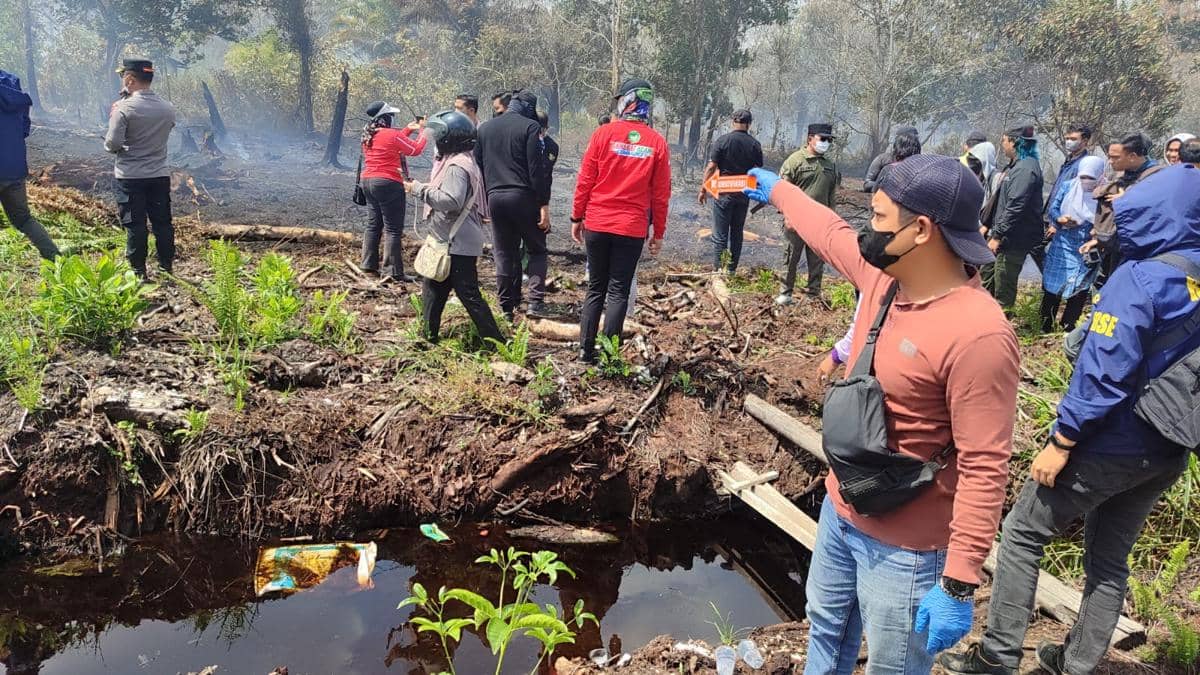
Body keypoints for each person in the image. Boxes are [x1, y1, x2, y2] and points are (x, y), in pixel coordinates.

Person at [743, 154, 1019, 675]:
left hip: (908, 551)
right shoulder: (882, 277)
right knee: (824, 631)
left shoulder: (978, 335)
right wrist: (778, 189)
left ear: (920, 230)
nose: (867, 231)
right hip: (841, 510)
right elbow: (828, 231)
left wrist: (959, 581)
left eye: (878, 219)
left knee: (892, 666)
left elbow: (985, 466)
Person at [939, 161, 1200, 675]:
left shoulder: (1140, 278)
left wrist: (1062, 439)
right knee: (1108, 558)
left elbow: (1104, 370)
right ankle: (1076, 662)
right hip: (1169, 447)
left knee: (1021, 533)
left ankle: (997, 656)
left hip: (1112, 441)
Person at [571, 78, 670, 363]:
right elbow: (661, 195)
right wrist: (658, 232)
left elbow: (585, 180)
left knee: (595, 288)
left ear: (627, 101)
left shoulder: (603, 135)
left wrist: (577, 216)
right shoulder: (657, 143)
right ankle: (610, 357)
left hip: (599, 224)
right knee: (618, 291)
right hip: (632, 228)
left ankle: (584, 352)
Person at [405, 110, 503, 345]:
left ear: (449, 138)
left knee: (468, 294)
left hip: (456, 243)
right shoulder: (460, 160)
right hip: (453, 241)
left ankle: (496, 342)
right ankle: (427, 338)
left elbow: (451, 200)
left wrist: (419, 189)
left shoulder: (457, 165)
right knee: (433, 290)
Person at [475, 90, 551, 321]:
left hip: (495, 197)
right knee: (537, 249)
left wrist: (486, 198)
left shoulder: (485, 129)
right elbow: (536, 170)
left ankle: (507, 307)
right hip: (523, 197)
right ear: (529, 109)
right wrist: (543, 204)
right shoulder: (530, 128)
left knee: (504, 252)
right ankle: (535, 303)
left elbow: (479, 164)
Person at [104, 58, 176, 279]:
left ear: (129, 79)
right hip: (159, 175)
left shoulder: (123, 109)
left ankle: (138, 272)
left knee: (135, 225)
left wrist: (117, 114)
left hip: (130, 177)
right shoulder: (168, 108)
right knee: (162, 223)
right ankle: (166, 268)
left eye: (123, 78)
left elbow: (112, 144)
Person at [359, 101, 427, 283]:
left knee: (373, 225)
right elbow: (415, 149)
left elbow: (390, 143)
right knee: (393, 229)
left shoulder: (368, 134)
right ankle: (392, 271)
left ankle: (368, 265)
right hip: (388, 183)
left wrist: (407, 130)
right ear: (386, 118)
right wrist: (423, 131)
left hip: (367, 182)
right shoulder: (391, 134)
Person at [776, 123, 841, 304]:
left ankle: (813, 294)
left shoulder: (830, 166)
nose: (826, 143)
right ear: (810, 138)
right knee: (791, 257)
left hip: (819, 222)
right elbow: (784, 192)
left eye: (828, 140)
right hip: (796, 220)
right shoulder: (795, 161)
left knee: (817, 260)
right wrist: (787, 215)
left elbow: (831, 196)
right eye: (822, 139)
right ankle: (785, 292)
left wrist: (832, 220)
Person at [1040, 156, 1105, 332]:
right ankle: (1045, 326)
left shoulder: (1105, 192)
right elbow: (1053, 209)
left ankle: (1067, 327)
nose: (1086, 182)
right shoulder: (1068, 186)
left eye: (1091, 178)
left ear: (1099, 176)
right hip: (1063, 242)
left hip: (1088, 245)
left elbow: (1110, 217)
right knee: (1052, 286)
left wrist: (1098, 230)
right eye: (1083, 177)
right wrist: (1060, 219)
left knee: (1079, 288)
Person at [981, 126, 1043, 310]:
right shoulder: (1015, 166)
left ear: (1014, 142)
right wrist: (988, 225)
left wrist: (998, 235)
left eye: (1004, 141)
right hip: (1001, 236)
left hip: (1013, 240)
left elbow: (1016, 206)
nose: (1003, 145)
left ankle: (1002, 328)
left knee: (1003, 287)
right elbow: (1001, 201)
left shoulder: (1026, 169)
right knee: (987, 279)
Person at [0, 69, 59, 262]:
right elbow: (24, 128)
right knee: (24, 219)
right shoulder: (11, 83)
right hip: (14, 168)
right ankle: (57, 262)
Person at [699, 109, 763, 273]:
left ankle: (718, 270)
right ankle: (732, 270)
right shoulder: (755, 144)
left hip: (724, 193)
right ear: (749, 124)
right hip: (743, 194)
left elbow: (711, 167)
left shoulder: (722, 141)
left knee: (720, 234)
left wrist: (703, 189)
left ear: (732, 121)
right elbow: (757, 171)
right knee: (737, 233)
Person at [863, 125, 918, 193]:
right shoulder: (883, 159)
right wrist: (888, 185)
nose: (911, 143)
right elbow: (867, 184)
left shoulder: (919, 163)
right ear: (899, 141)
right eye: (907, 139)